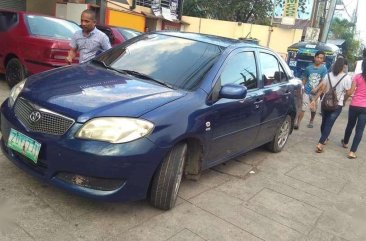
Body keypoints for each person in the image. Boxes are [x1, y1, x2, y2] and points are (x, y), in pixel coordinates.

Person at [312, 57, 352, 153]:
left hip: (325, 102)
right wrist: (344, 100)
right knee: (329, 124)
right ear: (343, 66)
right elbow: (348, 92)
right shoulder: (346, 78)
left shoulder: (328, 75)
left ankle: (324, 139)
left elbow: (323, 89)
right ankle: (320, 143)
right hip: (337, 104)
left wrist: (315, 99)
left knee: (324, 122)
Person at [295, 50, 327, 129]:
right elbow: (304, 79)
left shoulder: (323, 69)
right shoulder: (308, 68)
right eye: (318, 57)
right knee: (303, 108)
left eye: (321, 58)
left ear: (323, 60)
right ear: (315, 57)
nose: (319, 59)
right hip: (307, 91)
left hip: (316, 93)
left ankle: (311, 120)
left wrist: (317, 88)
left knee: (313, 109)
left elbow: (323, 81)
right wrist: (301, 88)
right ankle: (298, 123)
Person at [341, 59, 366, 159]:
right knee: (359, 130)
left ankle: (345, 142)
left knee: (350, 125)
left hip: (354, 105)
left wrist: (344, 97)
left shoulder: (357, 76)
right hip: (365, 108)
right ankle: (352, 152)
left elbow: (350, 92)